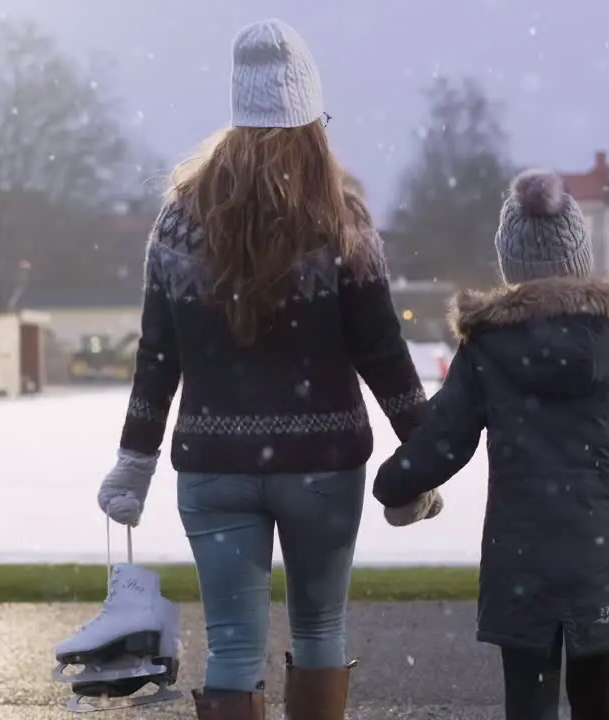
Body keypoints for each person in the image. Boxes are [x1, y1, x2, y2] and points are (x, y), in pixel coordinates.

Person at [96, 18, 441, 720]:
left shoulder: (179, 220)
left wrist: (135, 460)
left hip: (215, 465)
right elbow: (381, 348)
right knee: (318, 631)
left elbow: (157, 355)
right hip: (322, 463)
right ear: (311, 117)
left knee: (230, 648)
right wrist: (423, 451)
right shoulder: (339, 218)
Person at [371, 169, 609, 720]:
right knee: (597, 700)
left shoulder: (487, 348)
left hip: (520, 562)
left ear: (510, 262)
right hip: (600, 559)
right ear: (579, 256)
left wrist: (393, 484)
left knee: (528, 704)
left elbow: (442, 441)